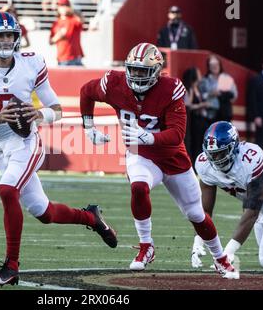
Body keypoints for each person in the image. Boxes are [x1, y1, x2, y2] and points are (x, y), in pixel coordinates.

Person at [0, 12, 117, 287]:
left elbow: (56, 110)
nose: (6, 40)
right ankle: (91, 217)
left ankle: (11, 266)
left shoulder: (31, 63)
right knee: (44, 213)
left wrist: (38, 115)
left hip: (26, 141)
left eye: (10, 35)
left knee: (7, 190)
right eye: (0, 35)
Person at [80, 42, 238, 279]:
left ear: (156, 71)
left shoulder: (170, 88)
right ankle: (146, 246)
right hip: (140, 155)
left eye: (143, 71)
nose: (137, 75)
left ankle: (220, 258)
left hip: (172, 158)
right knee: (139, 187)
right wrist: (88, 126)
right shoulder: (114, 82)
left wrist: (148, 136)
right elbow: (86, 91)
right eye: (133, 70)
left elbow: (176, 135)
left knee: (196, 214)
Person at [192, 121, 263, 269]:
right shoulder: (204, 165)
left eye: (220, 153)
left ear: (234, 147)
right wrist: (198, 240)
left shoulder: (252, 160)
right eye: (212, 154)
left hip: (260, 208)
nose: (216, 159)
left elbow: (252, 210)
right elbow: (205, 210)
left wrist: (227, 253)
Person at [199, 55, 238, 124]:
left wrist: (223, 95)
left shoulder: (227, 78)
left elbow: (234, 95)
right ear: (208, 66)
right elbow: (200, 96)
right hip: (210, 114)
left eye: (216, 64)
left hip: (225, 113)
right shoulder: (204, 80)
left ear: (220, 65)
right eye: (212, 64)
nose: (215, 66)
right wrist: (210, 94)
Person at [182, 67, 209, 165]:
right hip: (192, 120)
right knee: (192, 143)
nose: (200, 75)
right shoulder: (188, 88)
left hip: (200, 119)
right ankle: (192, 165)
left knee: (199, 144)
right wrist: (201, 105)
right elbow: (187, 105)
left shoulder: (198, 88)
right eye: (198, 73)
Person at [49, 0, 84, 66]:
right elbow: (50, 41)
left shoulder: (73, 20)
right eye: (62, 5)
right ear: (58, 7)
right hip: (63, 59)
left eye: (66, 5)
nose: (64, 7)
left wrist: (72, 10)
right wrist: (58, 36)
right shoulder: (56, 23)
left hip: (76, 58)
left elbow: (81, 20)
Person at [247, 56, 263, 154]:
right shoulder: (256, 79)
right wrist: (256, 116)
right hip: (261, 116)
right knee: (261, 141)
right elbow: (252, 99)